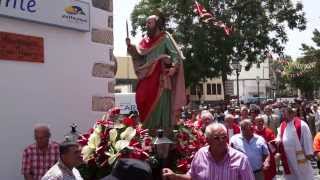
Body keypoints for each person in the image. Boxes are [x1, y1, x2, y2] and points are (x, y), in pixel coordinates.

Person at [126, 14, 186, 131]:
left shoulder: (165, 38)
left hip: (160, 79)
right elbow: (139, 56)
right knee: (141, 98)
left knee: (159, 105)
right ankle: (146, 131)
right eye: (146, 23)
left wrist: (173, 67)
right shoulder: (144, 41)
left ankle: (160, 132)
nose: (147, 25)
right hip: (145, 76)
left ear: (157, 25)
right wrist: (130, 47)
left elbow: (175, 55)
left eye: (150, 23)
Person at [162, 123, 255, 180]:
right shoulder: (200, 154)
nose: (222, 140)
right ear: (208, 140)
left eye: (224, 137)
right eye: (217, 138)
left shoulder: (241, 159)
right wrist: (175, 176)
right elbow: (192, 177)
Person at [273, 106, 314, 180]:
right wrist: (278, 139)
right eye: (283, 114)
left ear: (292, 114)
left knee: (303, 175)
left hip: (299, 156)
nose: (284, 116)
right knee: (290, 176)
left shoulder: (302, 124)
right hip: (287, 157)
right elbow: (279, 135)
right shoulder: (283, 124)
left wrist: (308, 152)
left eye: (285, 114)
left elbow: (307, 138)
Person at [254, 116, 277, 180]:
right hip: (257, 158)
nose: (260, 123)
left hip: (268, 157)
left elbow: (273, 147)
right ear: (255, 122)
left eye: (261, 121)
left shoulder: (269, 132)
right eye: (258, 121)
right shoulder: (252, 132)